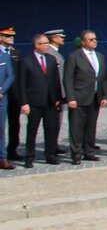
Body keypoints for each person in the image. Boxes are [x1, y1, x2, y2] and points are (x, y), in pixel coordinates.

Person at [64, 29, 107, 165]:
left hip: (94, 97)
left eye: (95, 39)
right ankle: (76, 153)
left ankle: (89, 151)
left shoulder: (99, 56)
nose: (94, 41)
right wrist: (70, 97)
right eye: (91, 39)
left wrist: (104, 95)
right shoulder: (74, 56)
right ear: (83, 42)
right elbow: (68, 78)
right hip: (79, 97)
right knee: (77, 127)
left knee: (91, 126)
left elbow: (102, 78)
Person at [20, 34, 63, 167]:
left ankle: (50, 155)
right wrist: (24, 102)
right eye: (44, 43)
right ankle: (29, 156)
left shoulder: (50, 59)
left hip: (50, 101)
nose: (46, 46)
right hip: (34, 102)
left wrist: (57, 98)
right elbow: (21, 84)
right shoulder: (27, 61)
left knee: (51, 129)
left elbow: (56, 81)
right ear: (36, 45)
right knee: (32, 130)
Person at [1, 26, 23, 161]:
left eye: (12, 36)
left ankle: (12, 150)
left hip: (14, 94)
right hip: (2, 93)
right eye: (8, 36)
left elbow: (19, 75)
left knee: (15, 123)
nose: (11, 38)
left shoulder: (16, 53)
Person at [44, 29, 68, 155]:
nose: (63, 39)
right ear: (53, 38)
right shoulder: (49, 53)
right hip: (54, 94)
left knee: (57, 121)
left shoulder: (56, 53)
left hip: (60, 93)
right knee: (53, 122)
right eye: (60, 37)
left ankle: (54, 144)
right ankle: (51, 146)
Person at [0, 36, 14, 170]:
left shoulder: (4, 56)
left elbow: (11, 75)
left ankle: (2, 158)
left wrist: (2, 91)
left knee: (1, 130)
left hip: (1, 98)